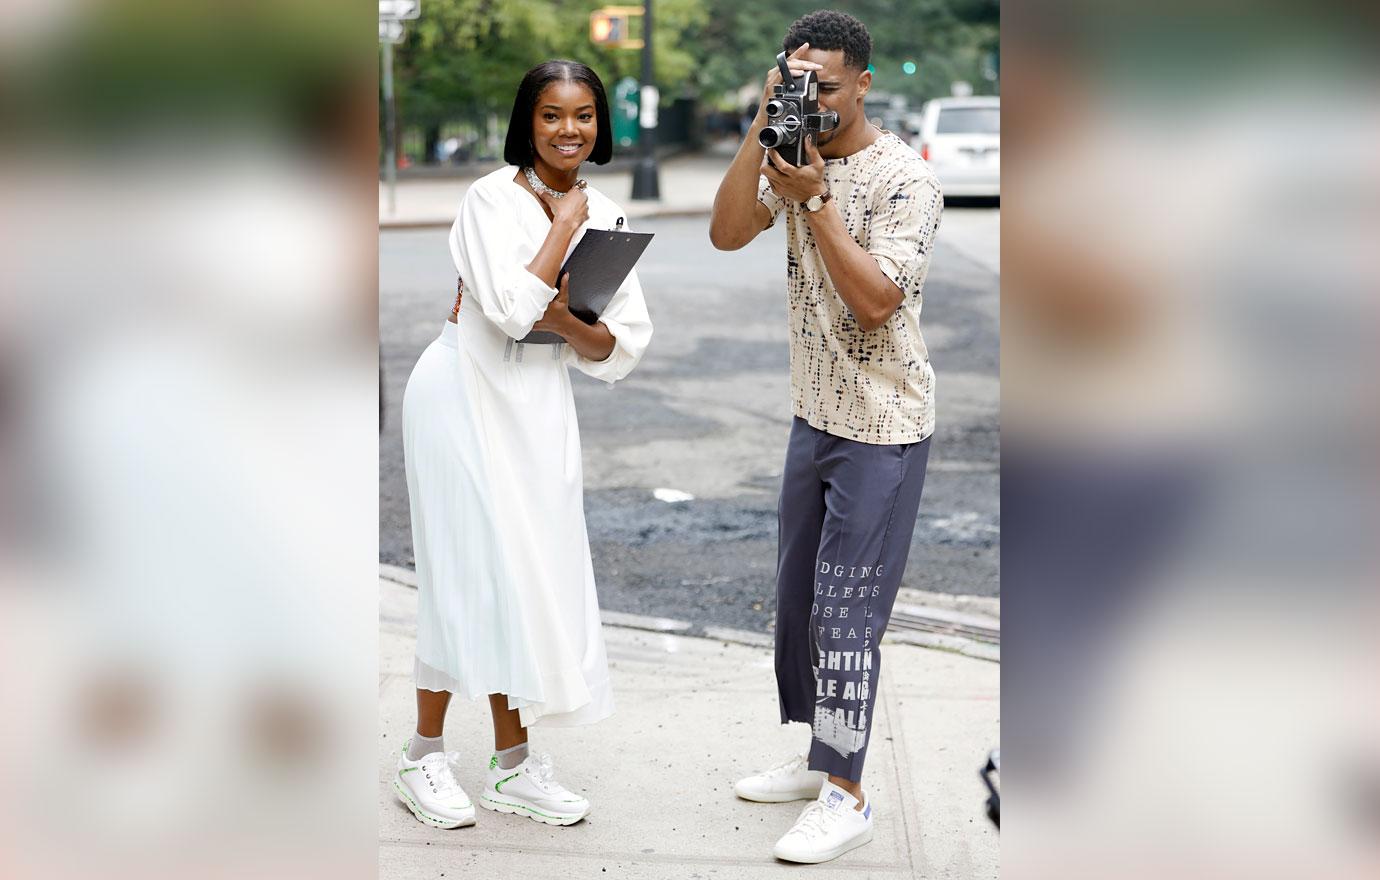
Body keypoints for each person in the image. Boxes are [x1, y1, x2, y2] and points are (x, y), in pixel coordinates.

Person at [709, 10, 942, 865]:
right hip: (813, 417)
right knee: (800, 608)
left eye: (827, 87)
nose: (816, 98)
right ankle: (821, 760)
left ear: (865, 84)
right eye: (799, 81)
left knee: (847, 619)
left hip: (883, 427)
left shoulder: (901, 180)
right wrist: (764, 126)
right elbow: (727, 231)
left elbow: (877, 299)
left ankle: (848, 795)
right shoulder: (792, 152)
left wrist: (817, 204)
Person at [394, 60, 652, 830]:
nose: (568, 130)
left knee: (522, 579)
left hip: (538, 406)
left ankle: (511, 767)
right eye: (551, 115)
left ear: (600, 124)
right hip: (462, 394)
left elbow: (620, 345)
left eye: (582, 116)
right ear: (526, 122)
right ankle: (422, 756)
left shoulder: (606, 209)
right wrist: (564, 237)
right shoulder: (489, 199)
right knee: (461, 575)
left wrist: (567, 321)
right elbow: (509, 311)